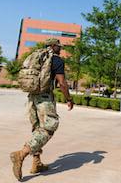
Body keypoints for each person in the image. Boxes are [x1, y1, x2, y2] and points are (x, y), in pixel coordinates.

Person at [10, 38, 74, 181]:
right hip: (44, 98)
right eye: (58, 46)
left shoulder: (35, 57)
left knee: (38, 129)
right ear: (52, 46)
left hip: (32, 97)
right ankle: (21, 154)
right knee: (49, 127)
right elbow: (62, 83)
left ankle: (36, 163)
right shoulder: (56, 60)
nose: (60, 49)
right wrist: (69, 99)